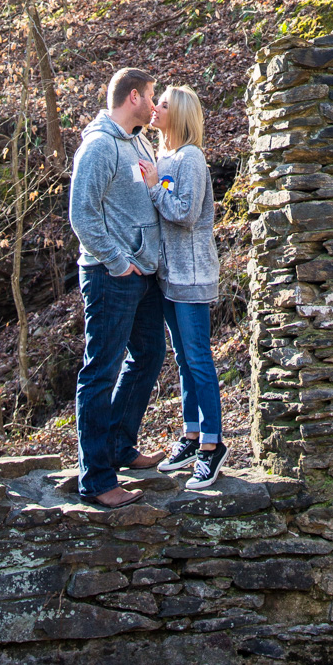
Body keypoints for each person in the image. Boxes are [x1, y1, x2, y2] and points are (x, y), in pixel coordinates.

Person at [68, 66, 166, 508]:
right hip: (111, 276)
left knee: (148, 355)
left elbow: (149, 191)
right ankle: (97, 479)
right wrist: (118, 261)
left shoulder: (139, 140)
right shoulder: (99, 146)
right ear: (132, 98)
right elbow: (82, 215)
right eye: (151, 95)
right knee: (100, 371)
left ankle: (121, 447)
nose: (154, 103)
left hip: (143, 273)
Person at [141, 84, 226, 490]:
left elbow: (186, 214)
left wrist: (156, 185)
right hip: (169, 277)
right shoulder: (164, 154)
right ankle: (191, 436)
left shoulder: (191, 158)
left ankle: (213, 446)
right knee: (183, 358)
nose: (154, 109)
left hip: (192, 274)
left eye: (162, 105)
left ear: (180, 114)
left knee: (198, 358)